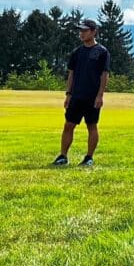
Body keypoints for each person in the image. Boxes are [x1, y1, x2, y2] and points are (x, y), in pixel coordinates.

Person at [52, 19, 110, 167]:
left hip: (92, 97)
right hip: (76, 96)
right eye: (80, 31)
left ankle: (89, 157)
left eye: (85, 31)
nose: (81, 34)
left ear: (93, 31)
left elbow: (104, 75)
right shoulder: (77, 52)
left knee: (92, 125)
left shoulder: (102, 52)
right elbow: (71, 74)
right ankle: (63, 156)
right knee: (68, 125)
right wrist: (68, 94)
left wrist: (100, 95)